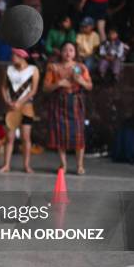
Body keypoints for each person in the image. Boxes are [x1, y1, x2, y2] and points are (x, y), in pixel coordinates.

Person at [43, 42, 93, 175]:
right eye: (65, 50)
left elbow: (89, 86)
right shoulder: (53, 67)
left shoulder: (80, 67)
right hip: (59, 103)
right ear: (61, 52)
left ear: (75, 53)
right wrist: (58, 83)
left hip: (75, 103)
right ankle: (63, 164)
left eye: (71, 50)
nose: (68, 53)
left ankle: (79, 165)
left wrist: (80, 81)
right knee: (60, 134)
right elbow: (45, 88)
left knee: (78, 135)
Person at [0, 48, 39, 174]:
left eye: (14, 55)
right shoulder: (9, 69)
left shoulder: (33, 70)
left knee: (25, 137)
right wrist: (7, 101)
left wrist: (20, 102)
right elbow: (3, 87)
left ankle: (26, 165)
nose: (12, 57)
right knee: (9, 137)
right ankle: (6, 165)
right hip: (11, 107)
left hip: (26, 107)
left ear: (22, 56)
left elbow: (33, 90)